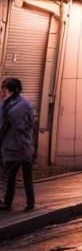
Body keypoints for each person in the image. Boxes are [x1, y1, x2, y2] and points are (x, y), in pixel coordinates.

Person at [0, 76, 36, 212]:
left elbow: (4, 127)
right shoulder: (25, 102)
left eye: (4, 89)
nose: (3, 91)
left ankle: (7, 203)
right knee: (27, 177)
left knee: (10, 177)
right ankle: (30, 202)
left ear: (10, 90)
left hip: (13, 147)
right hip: (26, 146)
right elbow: (31, 121)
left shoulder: (10, 107)